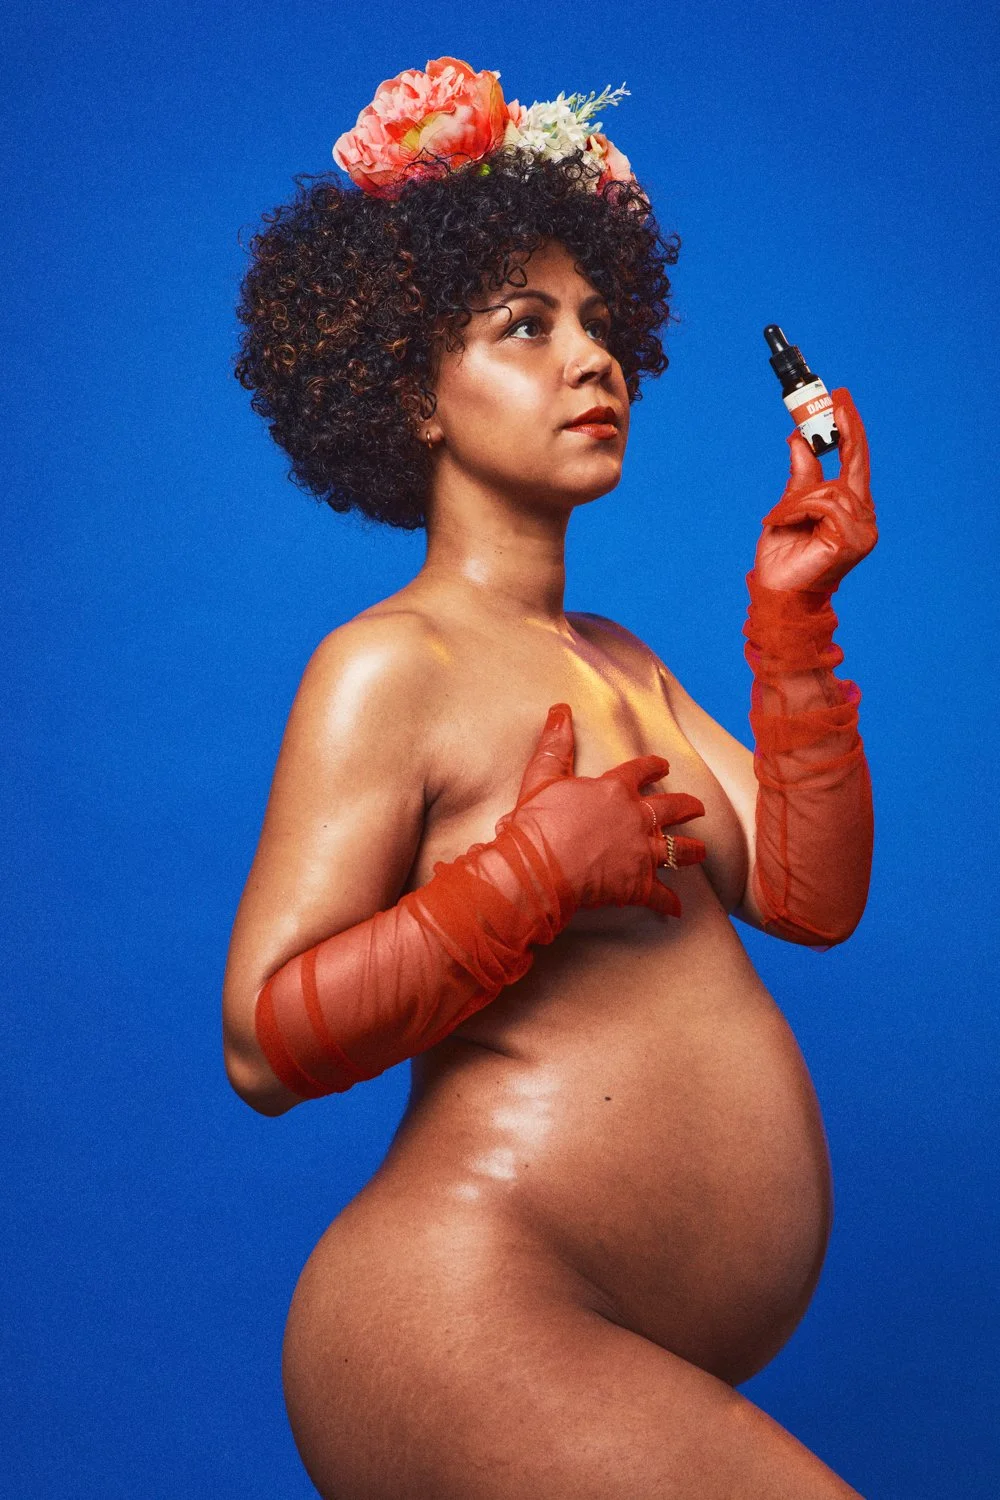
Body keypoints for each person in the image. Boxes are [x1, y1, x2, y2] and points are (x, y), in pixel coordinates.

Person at [224, 58, 877, 1499]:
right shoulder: (390, 666)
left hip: (608, 1332)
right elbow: (263, 1047)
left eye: (602, 325)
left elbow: (811, 897)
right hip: (455, 1317)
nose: (594, 361)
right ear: (412, 394)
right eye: (526, 326)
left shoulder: (625, 661)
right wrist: (521, 877)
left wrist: (794, 621)